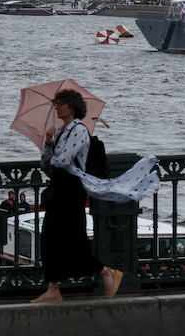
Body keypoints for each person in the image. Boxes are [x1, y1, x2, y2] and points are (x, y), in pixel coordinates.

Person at [31, 89, 122, 303]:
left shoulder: (79, 130)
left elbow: (63, 161)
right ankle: (53, 289)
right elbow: (45, 164)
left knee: (73, 240)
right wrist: (48, 144)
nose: (57, 107)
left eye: (60, 103)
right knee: (50, 239)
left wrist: (54, 152)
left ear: (72, 107)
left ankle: (106, 272)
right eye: (55, 103)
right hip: (59, 189)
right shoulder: (60, 132)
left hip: (72, 191)